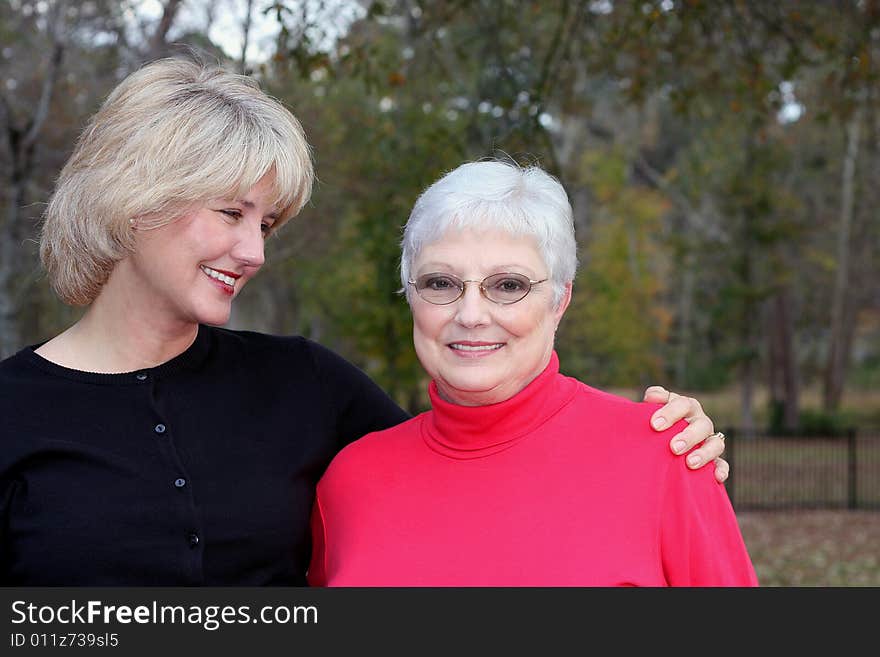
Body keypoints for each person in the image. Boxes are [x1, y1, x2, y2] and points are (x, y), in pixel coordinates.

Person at [0, 57, 727, 586]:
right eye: (231, 213)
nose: (253, 251)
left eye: (267, 222)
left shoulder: (303, 385)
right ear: (134, 200)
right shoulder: (13, 412)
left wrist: (661, 454)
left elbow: (482, 441)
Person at [308, 160, 757, 586]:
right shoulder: (350, 482)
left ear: (559, 300)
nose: (471, 314)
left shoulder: (667, 457)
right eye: (440, 283)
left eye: (508, 285)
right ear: (411, 295)